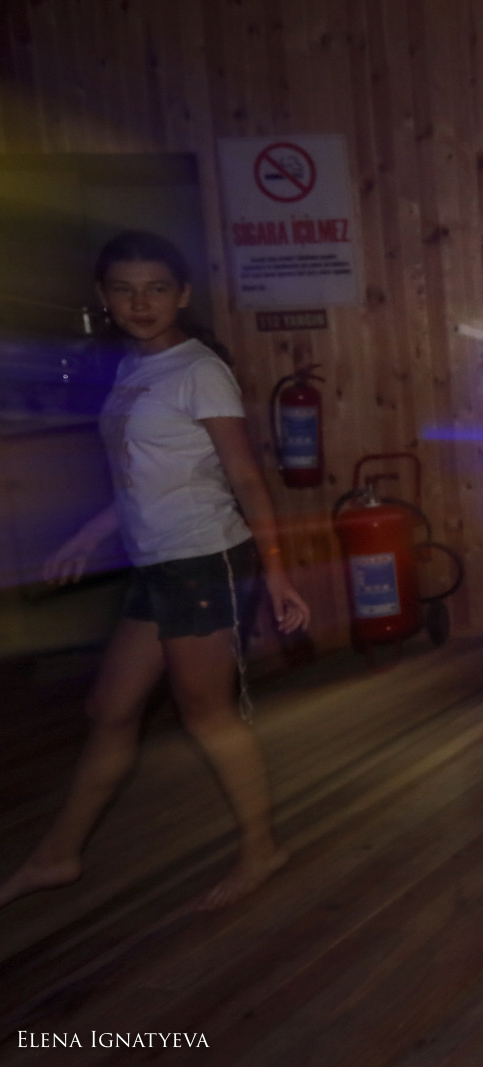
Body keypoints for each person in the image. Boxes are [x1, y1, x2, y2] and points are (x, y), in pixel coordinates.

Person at [0, 231, 309, 913]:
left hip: (201, 560)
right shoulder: (131, 369)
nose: (141, 303)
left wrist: (278, 574)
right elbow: (144, 478)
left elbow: (247, 479)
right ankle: (58, 856)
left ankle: (262, 848)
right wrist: (89, 535)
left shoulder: (200, 370)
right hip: (156, 564)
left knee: (207, 714)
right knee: (108, 709)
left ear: (183, 295)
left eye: (157, 289)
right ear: (103, 296)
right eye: (125, 289)